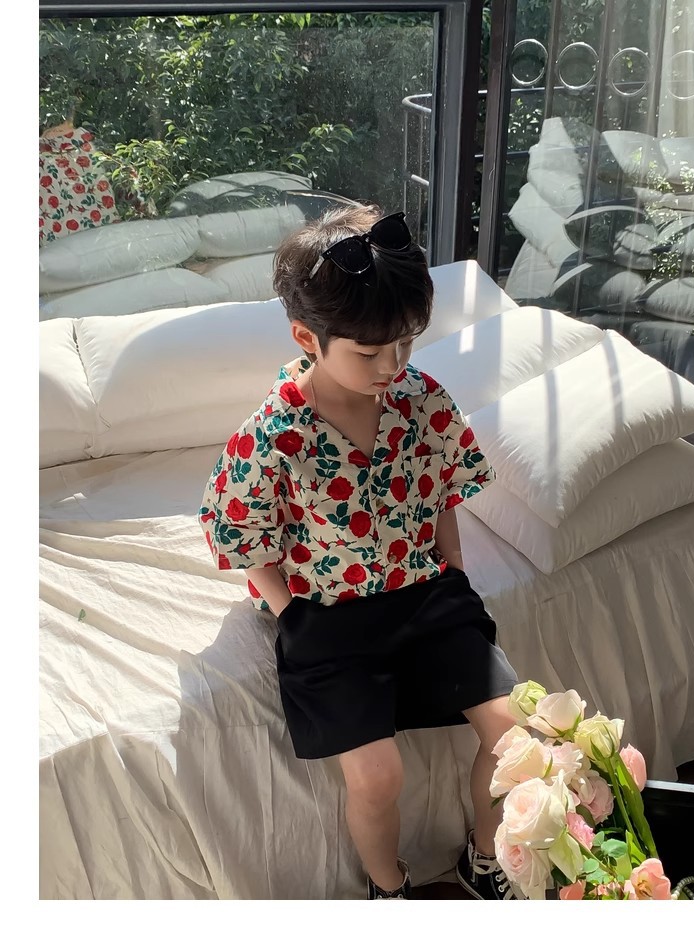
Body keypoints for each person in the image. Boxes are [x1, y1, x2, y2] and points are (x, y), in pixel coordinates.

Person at [199, 203, 520, 900]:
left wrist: (454, 575)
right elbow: (238, 532)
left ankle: (485, 858)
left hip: (426, 594)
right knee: (377, 776)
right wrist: (292, 615)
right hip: (329, 615)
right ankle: (389, 889)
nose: (391, 366)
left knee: (514, 737)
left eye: (405, 344)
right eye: (369, 353)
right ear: (306, 337)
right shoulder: (274, 433)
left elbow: (443, 491)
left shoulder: (422, 401)